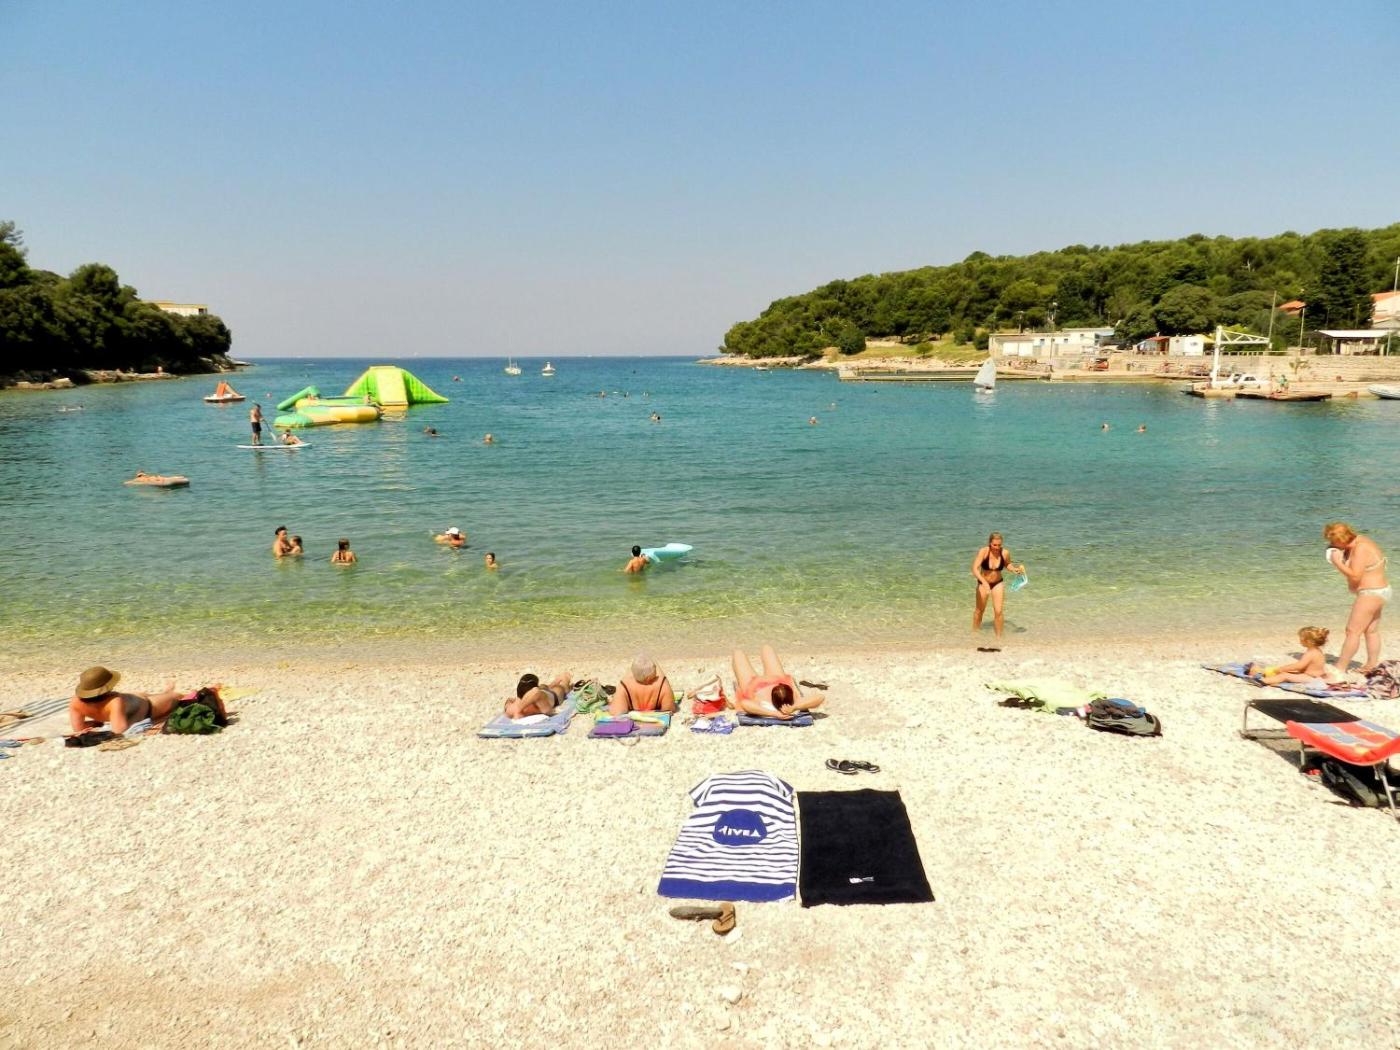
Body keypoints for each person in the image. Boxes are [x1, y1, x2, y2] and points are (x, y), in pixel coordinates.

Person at [1324, 522, 1389, 674]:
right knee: (1371, 631)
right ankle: (1371, 665)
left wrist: (1337, 562)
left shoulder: (1360, 548)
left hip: (1371, 592)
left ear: (1341, 539)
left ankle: (1340, 668)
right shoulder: (1360, 540)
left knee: (1352, 631)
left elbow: (1355, 575)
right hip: (1380, 590)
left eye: (1333, 541)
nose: (1331, 544)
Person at [67, 666, 196, 736]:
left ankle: (166, 692)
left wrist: (96, 723)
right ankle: (169, 692)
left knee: (148, 695)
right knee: (176, 696)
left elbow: (78, 727)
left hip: (135, 700)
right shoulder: (114, 701)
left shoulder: (75, 702)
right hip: (149, 707)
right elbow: (119, 730)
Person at [731, 645, 823, 720]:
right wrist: (794, 707)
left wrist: (774, 714)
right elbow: (820, 697)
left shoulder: (766, 707)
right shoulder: (794, 703)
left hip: (753, 685)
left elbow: (745, 704)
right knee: (767, 648)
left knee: (738, 653)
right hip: (777, 679)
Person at [972, 532, 1025, 640]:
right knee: (979, 610)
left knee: (998, 611)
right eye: (994, 545)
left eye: (999, 545)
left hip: (998, 583)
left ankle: (999, 638)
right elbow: (974, 569)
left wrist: (1013, 569)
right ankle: (974, 634)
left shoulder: (1005, 553)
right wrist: (984, 582)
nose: (997, 547)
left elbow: (1007, 564)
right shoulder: (984, 551)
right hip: (983, 583)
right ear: (990, 543)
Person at [1245, 627, 1333, 687]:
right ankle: (1264, 674)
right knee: (1287, 672)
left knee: (1284, 675)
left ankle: (1262, 682)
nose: (1300, 640)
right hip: (1314, 676)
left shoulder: (1311, 653)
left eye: (1301, 638)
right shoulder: (1317, 651)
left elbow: (1299, 666)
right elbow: (1305, 667)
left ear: (1308, 641)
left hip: (1311, 678)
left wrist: (1283, 668)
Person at [609, 654, 675, 715]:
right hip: (658, 692)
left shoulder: (624, 685)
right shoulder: (662, 684)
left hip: (629, 693)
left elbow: (616, 712)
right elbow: (668, 710)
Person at [504, 672, 571, 719]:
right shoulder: (539, 702)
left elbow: (536, 692)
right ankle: (561, 678)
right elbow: (536, 692)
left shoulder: (512, 709)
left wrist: (518, 710)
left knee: (552, 686)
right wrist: (517, 709)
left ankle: (560, 679)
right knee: (562, 686)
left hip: (548, 694)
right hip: (552, 695)